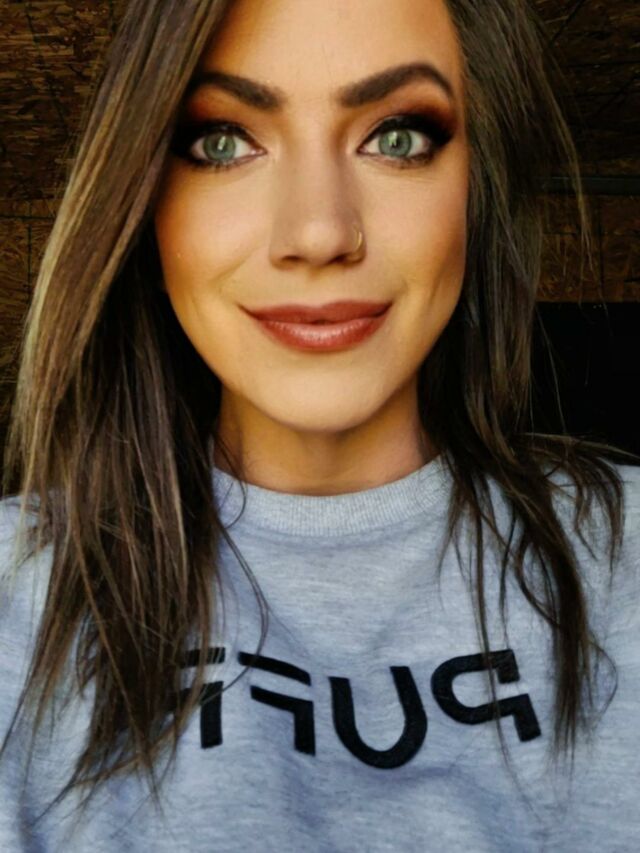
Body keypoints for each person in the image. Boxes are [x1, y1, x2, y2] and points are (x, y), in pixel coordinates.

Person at [1, 0, 639, 850]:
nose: (319, 232)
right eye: (223, 142)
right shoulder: (16, 598)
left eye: (398, 138)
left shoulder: (627, 563)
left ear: (477, 184)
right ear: (146, 198)